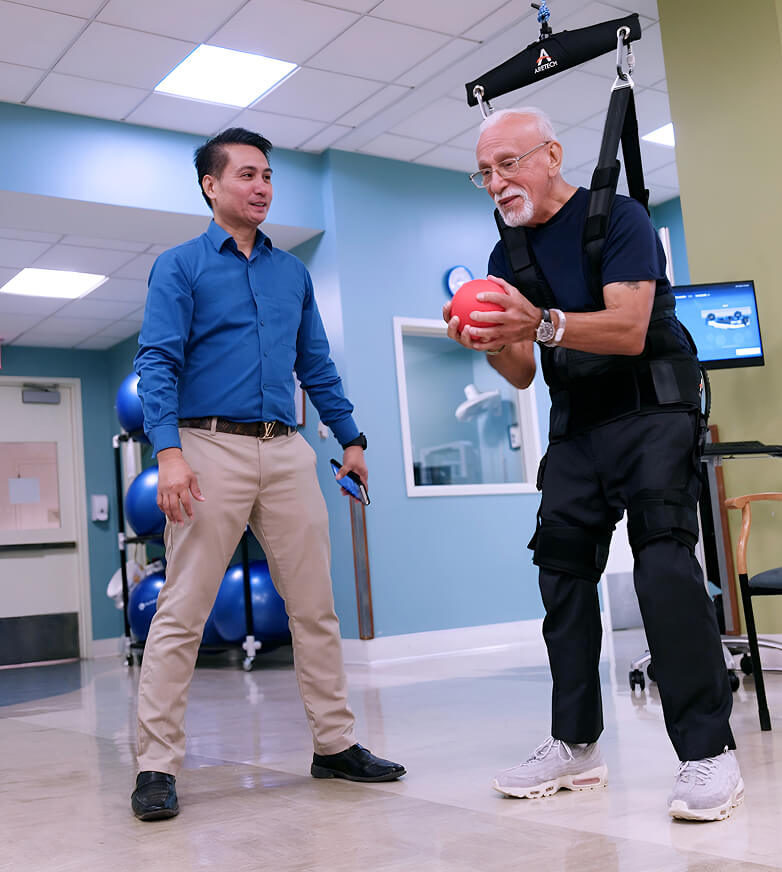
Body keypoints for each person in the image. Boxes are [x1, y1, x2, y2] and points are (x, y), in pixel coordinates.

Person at [443, 107, 743, 822]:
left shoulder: (620, 219)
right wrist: (482, 338)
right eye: (483, 172)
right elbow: (519, 373)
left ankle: (708, 754)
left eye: (507, 164)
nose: (495, 183)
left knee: (663, 563)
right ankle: (575, 744)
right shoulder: (504, 253)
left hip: (652, 408)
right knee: (561, 569)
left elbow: (630, 327)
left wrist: (541, 323)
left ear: (549, 155)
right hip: (579, 423)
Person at [130, 127, 404, 822]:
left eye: (267, 176)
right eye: (246, 175)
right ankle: (156, 765)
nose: (261, 187)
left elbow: (314, 363)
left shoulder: (292, 274)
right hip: (205, 446)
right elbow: (157, 361)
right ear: (210, 186)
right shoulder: (180, 266)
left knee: (315, 607)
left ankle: (334, 745)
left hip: (284, 450)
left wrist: (351, 438)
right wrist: (166, 452)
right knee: (182, 611)